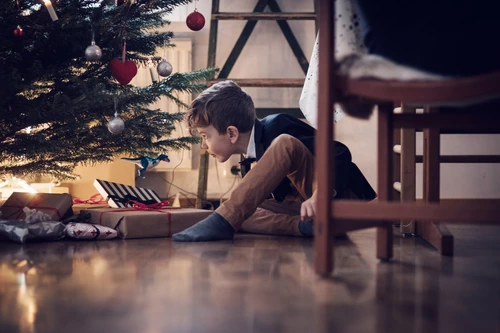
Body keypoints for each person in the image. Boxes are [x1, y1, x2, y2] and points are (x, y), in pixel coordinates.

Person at [172, 80, 375, 242]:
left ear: (231, 133)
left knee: (284, 144)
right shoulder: (248, 158)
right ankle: (305, 228)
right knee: (238, 212)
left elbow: (340, 153)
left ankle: (224, 220)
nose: (204, 146)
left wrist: (321, 194)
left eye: (205, 136)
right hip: (308, 210)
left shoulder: (277, 126)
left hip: (343, 200)